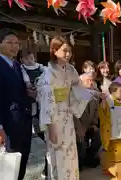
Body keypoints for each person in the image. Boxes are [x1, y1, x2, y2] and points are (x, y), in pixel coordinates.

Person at [36, 36, 81, 180]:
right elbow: (46, 102)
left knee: (71, 154)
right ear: (54, 51)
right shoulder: (48, 75)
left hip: (67, 117)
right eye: (64, 51)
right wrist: (51, 126)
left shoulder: (70, 69)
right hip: (54, 119)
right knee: (58, 154)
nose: (68, 54)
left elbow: (78, 87)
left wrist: (93, 92)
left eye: (70, 51)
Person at [0, 29, 33, 180]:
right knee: (9, 166)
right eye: (9, 42)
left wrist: (30, 93)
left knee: (21, 162)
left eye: (16, 43)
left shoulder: (17, 65)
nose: (14, 46)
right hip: (7, 124)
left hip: (23, 121)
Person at [19, 48, 48, 178]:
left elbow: (46, 71)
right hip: (31, 96)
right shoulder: (22, 69)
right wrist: (28, 85)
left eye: (31, 58)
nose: (30, 61)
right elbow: (25, 80)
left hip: (41, 95)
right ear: (22, 59)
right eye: (27, 59)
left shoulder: (40, 67)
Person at [98, 82, 121, 167]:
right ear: (113, 92)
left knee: (120, 149)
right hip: (111, 131)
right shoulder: (106, 102)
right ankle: (109, 165)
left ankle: (119, 164)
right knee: (111, 150)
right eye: (120, 91)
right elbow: (101, 115)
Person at [75, 72, 101, 171]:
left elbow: (95, 111)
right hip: (78, 124)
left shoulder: (94, 93)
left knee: (99, 135)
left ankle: (89, 157)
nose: (91, 82)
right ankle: (79, 163)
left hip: (89, 123)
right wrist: (79, 129)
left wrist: (94, 124)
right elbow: (74, 115)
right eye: (88, 80)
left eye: (92, 80)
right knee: (81, 141)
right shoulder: (76, 95)